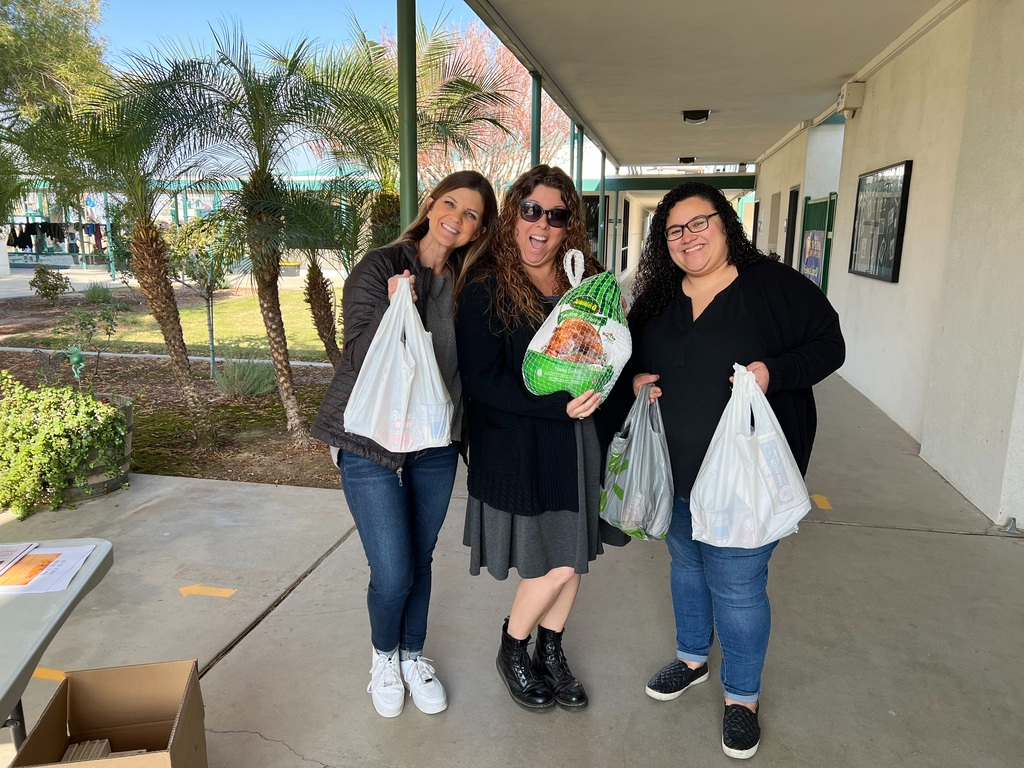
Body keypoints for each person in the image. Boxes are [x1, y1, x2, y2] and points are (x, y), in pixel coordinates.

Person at [627, 181, 845, 758]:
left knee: (739, 584)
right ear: (664, 241)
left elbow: (830, 345)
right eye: (675, 230)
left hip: (745, 478)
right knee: (685, 563)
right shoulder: (656, 298)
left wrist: (774, 373)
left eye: (700, 223)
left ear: (727, 225)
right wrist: (635, 380)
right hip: (673, 471)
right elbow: (634, 357)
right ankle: (693, 657)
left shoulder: (773, 287)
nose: (688, 237)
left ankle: (742, 697)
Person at [311, 170, 498, 718]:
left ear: (478, 229)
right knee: (392, 568)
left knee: (419, 556)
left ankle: (414, 655)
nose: (457, 220)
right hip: (368, 439)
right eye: (451, 205)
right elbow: (359, 357)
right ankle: (383, 657)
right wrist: (400, 305)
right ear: (431, 204)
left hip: (435, 440)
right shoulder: (381, 265)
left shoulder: (469, 284)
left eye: (471, 216)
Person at [455, 164, 607, 712]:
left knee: (573, 555)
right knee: (557, 561)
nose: (542, 224)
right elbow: (482, 381)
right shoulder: (486, 285)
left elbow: (606, 348)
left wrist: (615, 382)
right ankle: (513, 648)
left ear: (570, 226)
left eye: (557, 215)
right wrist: (557, 406)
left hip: (575, 441)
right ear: (513, 216)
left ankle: (551, 650)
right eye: (531, 211)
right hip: (519, 446)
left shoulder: (584, 278)